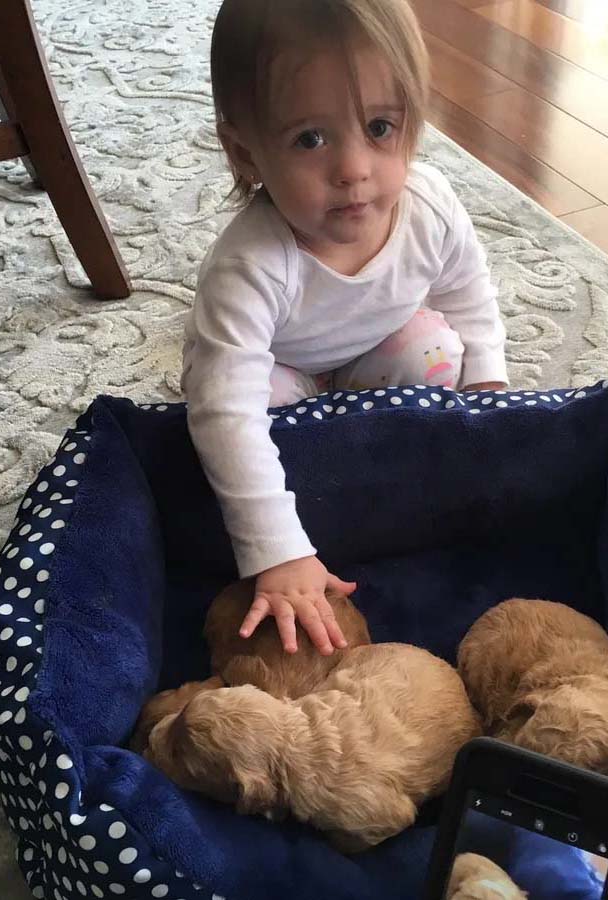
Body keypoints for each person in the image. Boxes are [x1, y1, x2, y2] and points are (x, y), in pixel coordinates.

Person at [181, 0, 508, 657]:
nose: (354, 168)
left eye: (381, 126)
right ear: (245, 152)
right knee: (234, 425)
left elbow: (468, 296)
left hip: (374, 355)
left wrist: (491, 393)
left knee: (440, 347)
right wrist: (276, 550)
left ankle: (380, 451)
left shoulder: (429, 209)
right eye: (311, 138)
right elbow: (224, 411)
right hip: (281, 367)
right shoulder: (251, 263)